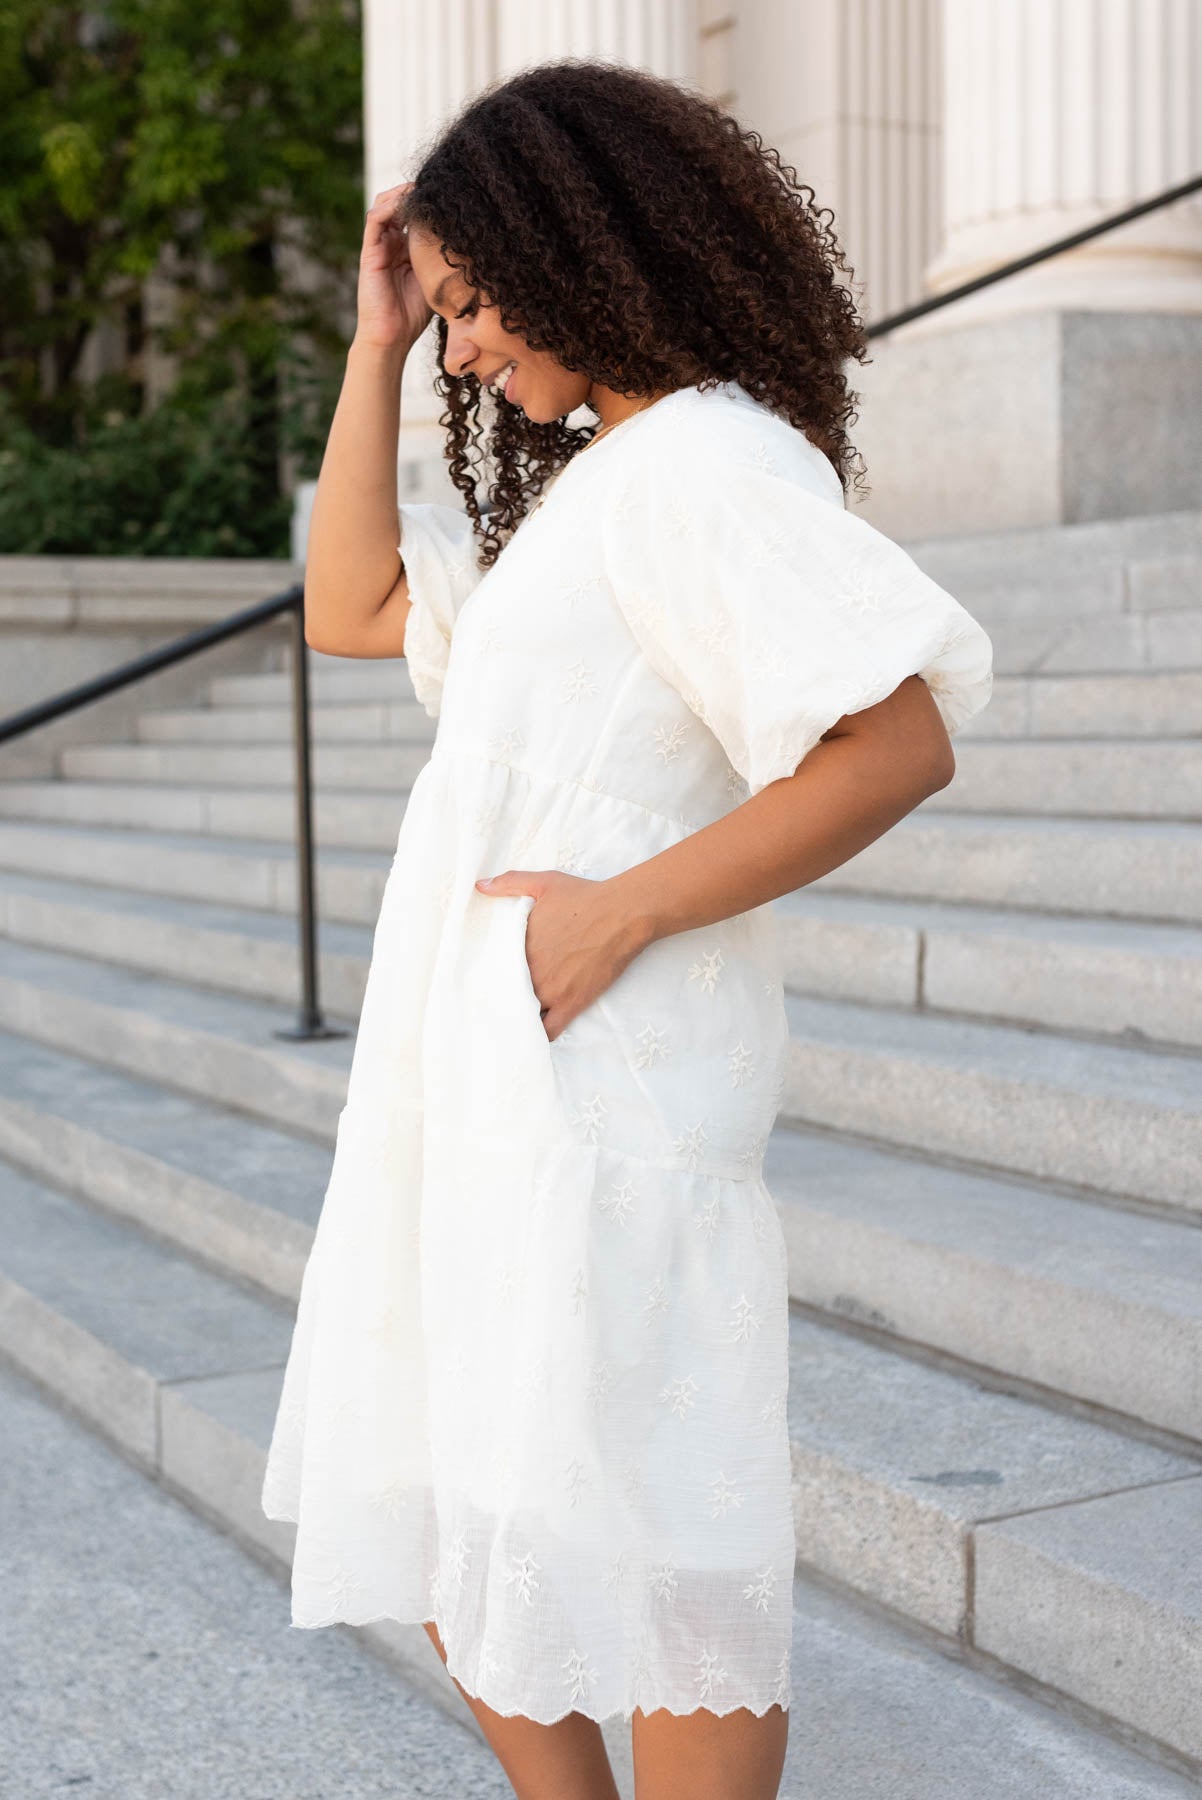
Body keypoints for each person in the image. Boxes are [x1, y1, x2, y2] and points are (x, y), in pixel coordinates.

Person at [261, 58, 993, 1800]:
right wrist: (371, 343)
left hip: (608, 1086)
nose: (462, 353)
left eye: (474, 305)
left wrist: (616, 916)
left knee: (661, 1550)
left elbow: (894, 738)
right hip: (491, 1088)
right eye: (439, 319)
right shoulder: (594, 488)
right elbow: (347, 605)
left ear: (589, 245)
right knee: (461, 1520)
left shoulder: (705, 464)